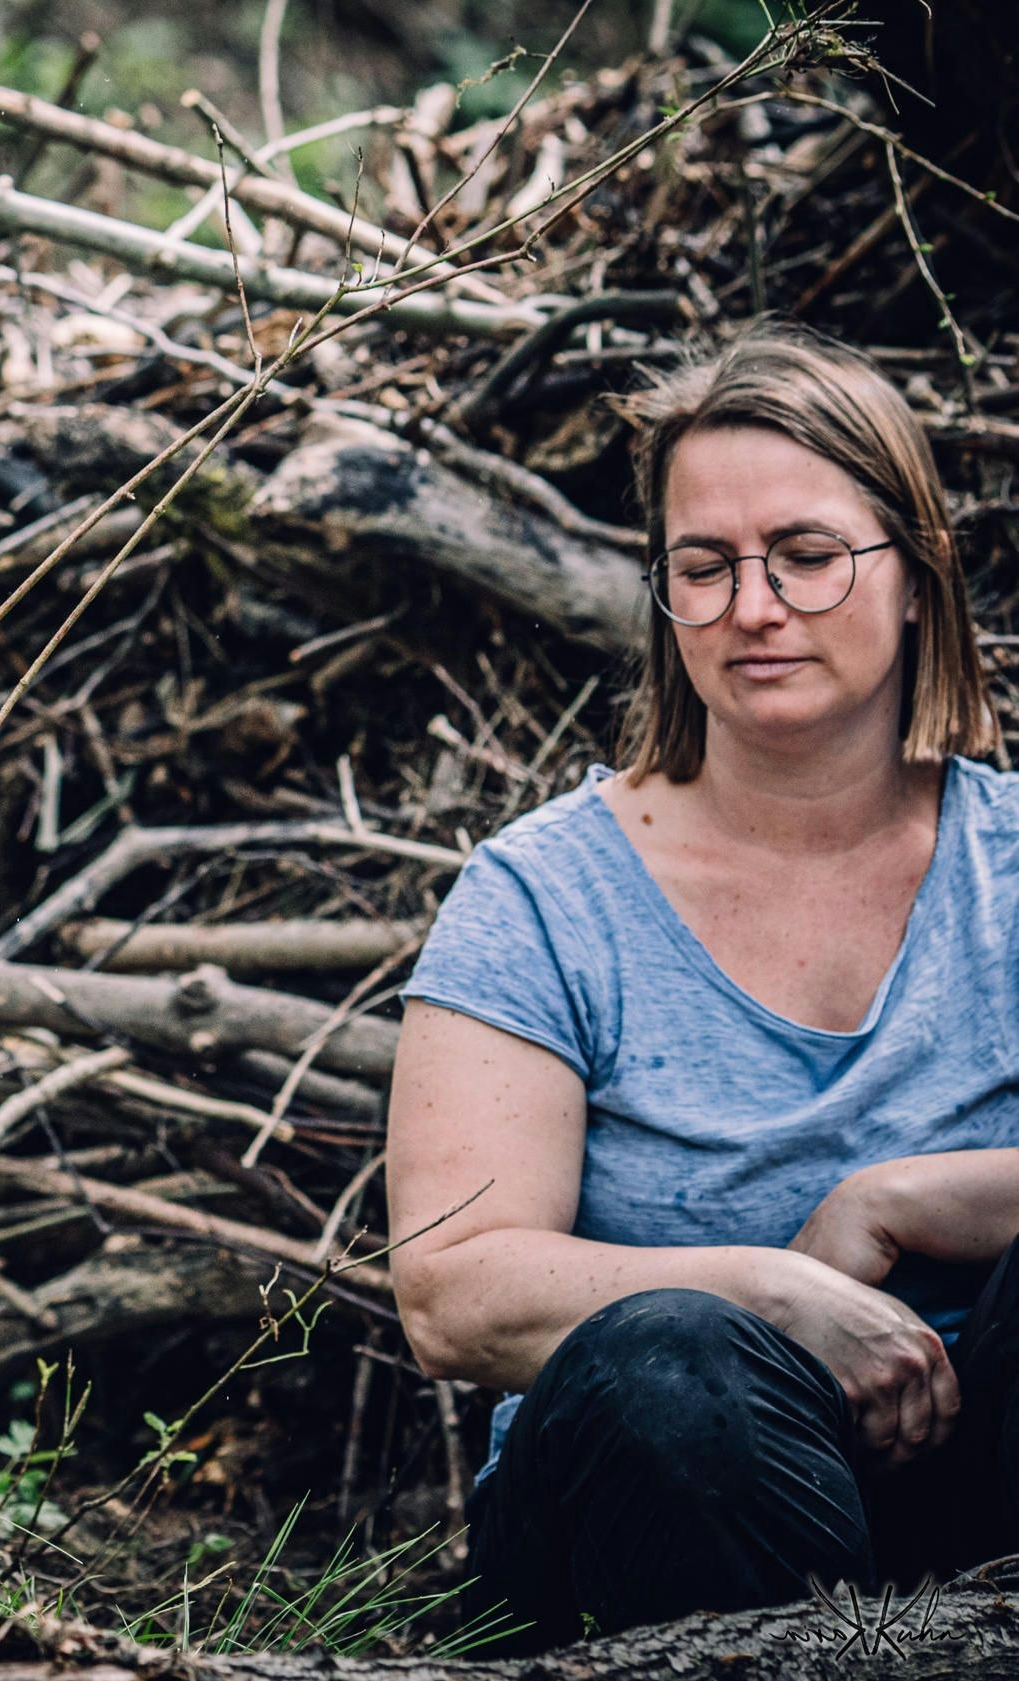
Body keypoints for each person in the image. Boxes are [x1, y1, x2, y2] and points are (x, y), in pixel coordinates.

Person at [386, 322, 1019, 1647]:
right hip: (657, 1512)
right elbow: (450, 1290)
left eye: (804, 556)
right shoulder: (542, 898)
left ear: (917, 574)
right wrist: (768, 1289)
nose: (753, 607)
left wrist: (895, 1200)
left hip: (983, 1486)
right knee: (664, 1356)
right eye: (705, 567)